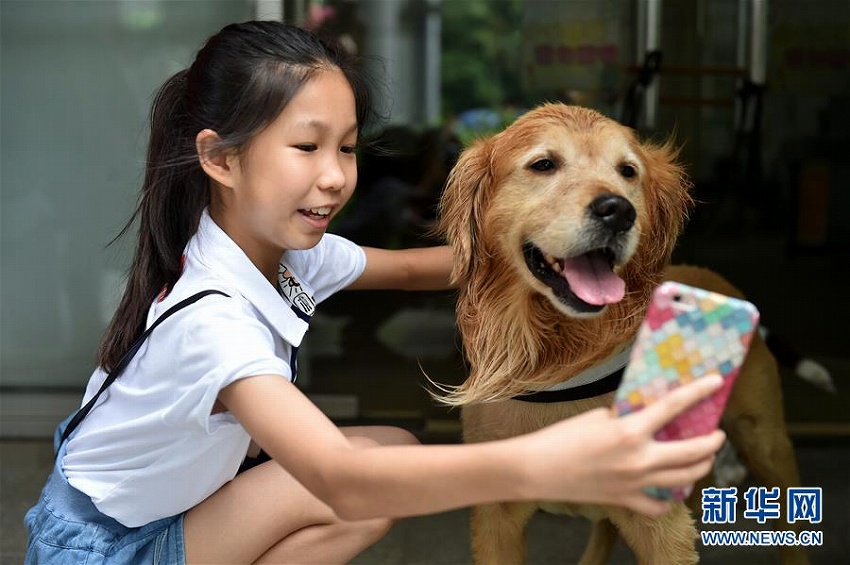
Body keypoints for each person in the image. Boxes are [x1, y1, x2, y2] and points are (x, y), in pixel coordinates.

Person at [24, 21, 726, 565]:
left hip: (149, 510)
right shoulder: (213, 321)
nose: (334, 176)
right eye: (307, 147)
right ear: (221, 158)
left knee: (392, 446)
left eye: (348, 147)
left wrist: (557, 251)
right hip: (107, 546)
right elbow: (341, 478)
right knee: (362, 482)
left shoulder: (282, 254)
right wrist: (543, 462)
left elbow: (425, 268)